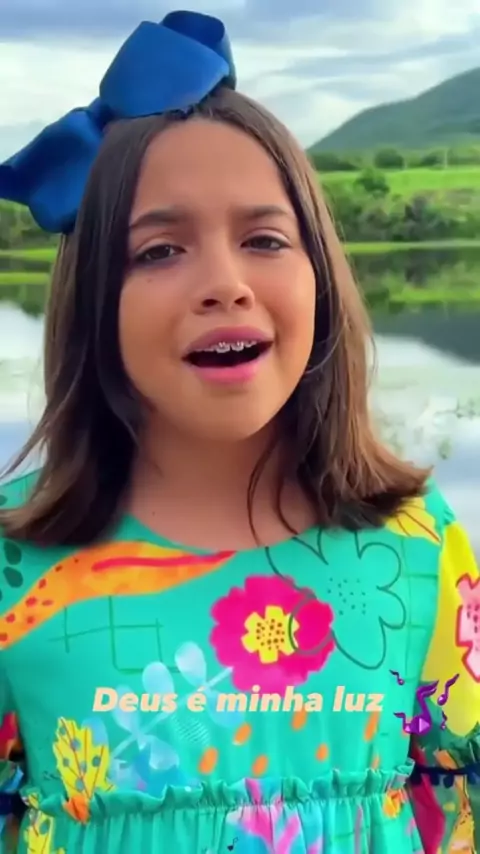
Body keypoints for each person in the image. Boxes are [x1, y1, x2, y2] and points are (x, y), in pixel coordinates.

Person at [0, 10, 478, 854]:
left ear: (320, 274)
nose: (225, 283)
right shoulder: (14, 566)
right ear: (93, 301)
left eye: (264, 239)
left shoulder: (416, 546)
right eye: (159, 251)